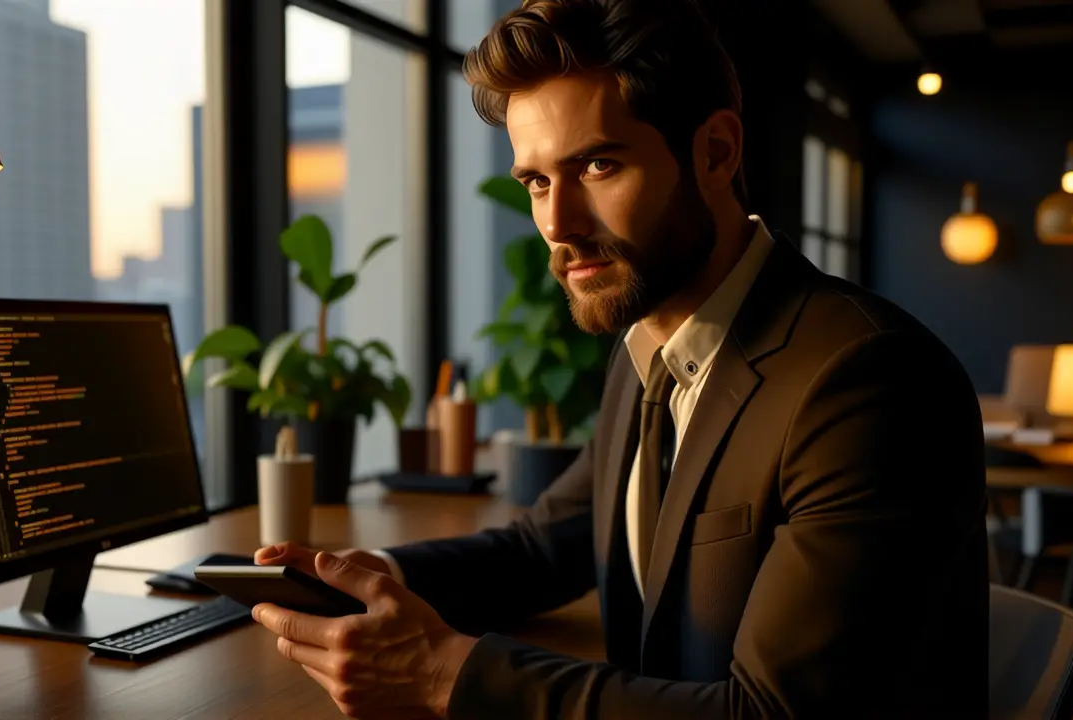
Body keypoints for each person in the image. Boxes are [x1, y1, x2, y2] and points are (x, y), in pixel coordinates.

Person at [248, 0, 990, 717]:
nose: (558, 223)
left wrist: (445, 676)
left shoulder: (868, 379)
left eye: (598, 166)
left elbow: (772, 713)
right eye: (537, 181)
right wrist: (372, 578)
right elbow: (545, 548)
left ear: (716, 152)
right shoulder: (648, 351)